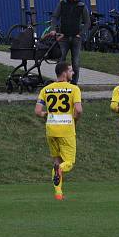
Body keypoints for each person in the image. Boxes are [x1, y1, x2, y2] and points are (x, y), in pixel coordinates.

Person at [35, 61, 82, 200]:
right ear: (64, 73)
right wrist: (75, 120)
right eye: (71, 70)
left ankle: (58, 194)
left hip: (51, 129)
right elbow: (78, 110)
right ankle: (60, 170)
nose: (73, 73)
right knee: (68, 163)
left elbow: (38, 111)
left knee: (57, 161)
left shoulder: (46, 89)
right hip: (66, 129)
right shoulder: (74, 89)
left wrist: (46, 115)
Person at [50, 0, 90, 85]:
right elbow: (55, 17)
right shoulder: (62, 3)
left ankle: (74, 84)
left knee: (75, 63)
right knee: (60, 61)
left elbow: (88, 22)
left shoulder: (82, 5)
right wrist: (53, 29)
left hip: (76, 39)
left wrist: (81, 34)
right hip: (64, 37)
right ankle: (60, 82)